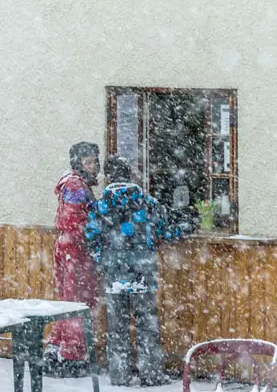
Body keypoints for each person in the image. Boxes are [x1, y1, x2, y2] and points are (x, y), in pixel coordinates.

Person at [84, 155, 195, 386]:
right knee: (147, 324)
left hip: (114, 274)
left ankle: (120, 375)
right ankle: (151, 373)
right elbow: (164, 232)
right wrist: (187, 225)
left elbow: (91, 238)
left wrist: (103, 260)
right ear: (129, 174)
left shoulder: (100, 207)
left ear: (109, 177)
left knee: (117, 327)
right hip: (142, 272)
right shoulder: (147, 202)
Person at [45, 141, 100, 377]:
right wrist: (94, 231)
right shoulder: (76, 187)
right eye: (88, 162)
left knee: (69, 301)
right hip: (76, 250)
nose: (93, 166)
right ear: (78, 163)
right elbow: (74, 221)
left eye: (94, 161)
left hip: (70, 248)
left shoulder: (74, 184)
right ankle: (71, 356)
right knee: (77, 303)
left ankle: (55, 348)